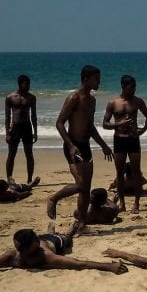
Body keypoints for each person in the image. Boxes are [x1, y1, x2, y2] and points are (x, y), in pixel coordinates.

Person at [48, 65, 114, 231]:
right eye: (96, 79)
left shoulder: (92, 101)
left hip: (85, 147)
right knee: (80, 185)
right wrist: (70, 145)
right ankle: (54, 198)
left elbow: (90, 127)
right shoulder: (74, 98)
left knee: (86, 189)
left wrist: (104, 145)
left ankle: (81, 224)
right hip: (73, 146)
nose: (99, 82)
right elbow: (59, 123)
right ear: (86, 79)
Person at [0, 223, 127, 275]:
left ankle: (71, 229)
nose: (17, 251)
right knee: (48, 234)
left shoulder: (47, 256)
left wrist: (108, 267)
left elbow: (79, 264)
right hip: (41, 239)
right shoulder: (13, 255)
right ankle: (51, 229)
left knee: (66, 239)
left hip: (55, 242)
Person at [102, 75, 147, 213]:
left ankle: (136, 203)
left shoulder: (138, 101)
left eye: (135, 87)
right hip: (119, 139)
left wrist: (143, 130)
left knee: (136, 172)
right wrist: (118, 124)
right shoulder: (113, 103)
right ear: (123, 86)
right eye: (131, 87)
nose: (134, 89)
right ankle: (122, 203)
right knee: (119, 172)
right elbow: (105, 124)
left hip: (133, 139)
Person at [4, 75, 37, 186]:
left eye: (29, 84)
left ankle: (29, 179)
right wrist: (7, 133)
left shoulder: (31, 98)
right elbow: (7, 117)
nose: (28, 86)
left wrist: (35, 132)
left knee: (29, 154)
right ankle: (9, 178)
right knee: (11, 154)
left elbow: (34, 116)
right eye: (26, 84)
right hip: (15, 128)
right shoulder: (10, 97)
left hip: (27, 127)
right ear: (20, 84)